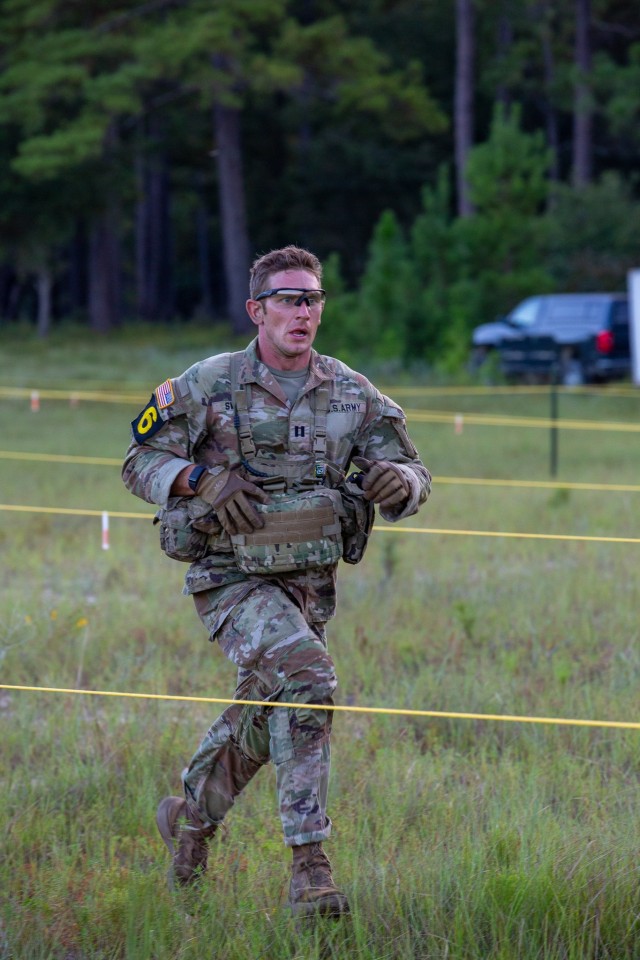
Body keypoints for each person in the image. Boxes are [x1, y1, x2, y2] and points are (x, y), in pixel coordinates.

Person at [122, 245, 431, 916]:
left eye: (313, 298)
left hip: (308, 586)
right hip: (229, 578)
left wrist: (395, 483)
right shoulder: (209, 383)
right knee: (311, 682)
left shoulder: (352, 391)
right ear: (256, 310)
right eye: (289, 298)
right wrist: (198, 478)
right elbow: (140, 458)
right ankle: (309, 870)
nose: (304, 310)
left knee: (270, 716)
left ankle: (189, 820)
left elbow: (416, 476)